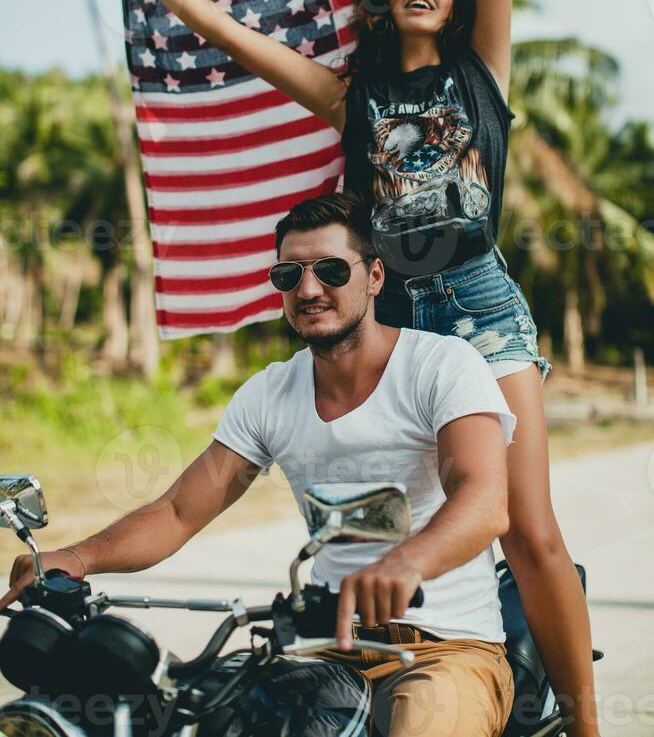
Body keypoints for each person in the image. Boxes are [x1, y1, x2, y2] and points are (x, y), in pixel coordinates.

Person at [89, 0, 600, 732]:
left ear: (453, 0)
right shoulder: (353, 97)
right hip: (396, 314)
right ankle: (397, 673)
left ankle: (583, 721)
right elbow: (240, 40)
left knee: (529, 529)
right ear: (381, 0)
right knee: (389, 516)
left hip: (480, 303)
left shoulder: (483, 76)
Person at [3, 193, 516, 737]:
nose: (309, 289)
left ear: (374, 277)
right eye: (289, 273)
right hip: (324, 651)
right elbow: (178, 512)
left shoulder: (441, 366)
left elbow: (482, 499)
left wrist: (407, 562)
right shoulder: (270, 393)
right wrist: (79, 557)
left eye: (332, 270)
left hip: (444, 650)